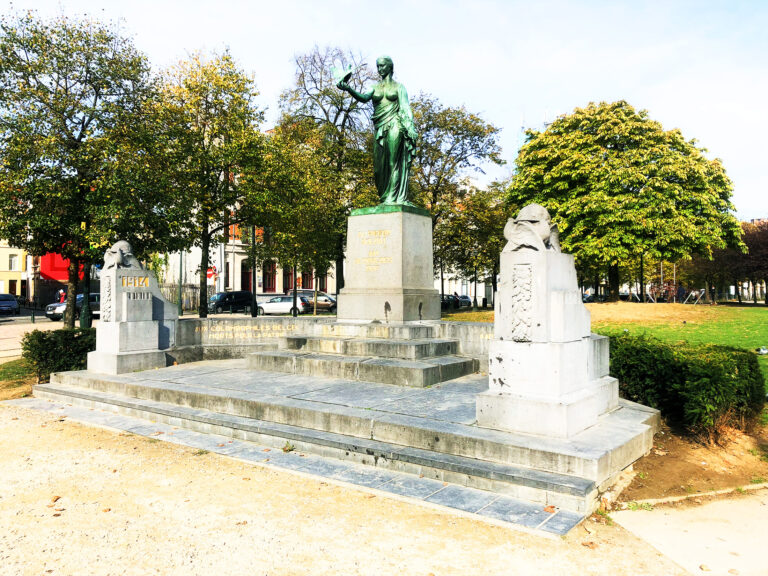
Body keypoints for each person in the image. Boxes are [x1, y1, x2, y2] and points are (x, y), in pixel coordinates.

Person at [336, 56, 417, 205]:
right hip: (380, 127)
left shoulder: (399, 87)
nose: (380, 69)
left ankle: (393, 199)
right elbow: (364, 97)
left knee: (394, 163)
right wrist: (348, 89)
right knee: (379, 169)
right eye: (378, 66)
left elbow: (405, 107)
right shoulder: (374, 87)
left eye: (382, 66)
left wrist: (410, 125)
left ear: (390, 67)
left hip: (395, 124)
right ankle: (385, 196)